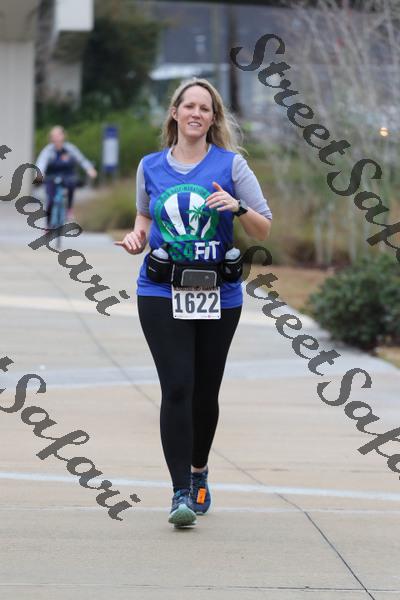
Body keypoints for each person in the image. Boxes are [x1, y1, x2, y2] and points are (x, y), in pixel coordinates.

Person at [115, 78, 272, 528]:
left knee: (205, 390)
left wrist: (236, 207)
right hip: (161, 289)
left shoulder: (231, 165)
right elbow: (144, 216)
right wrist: (136, 237)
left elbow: (263, 227)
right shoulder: (150, 166)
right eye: (189, 106)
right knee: (178, 386)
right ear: (175, 113)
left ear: (213, 118)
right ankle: (180, 491)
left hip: (218, 292)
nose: (196, 114)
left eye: (205, 108)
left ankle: (199, 469)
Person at [35, 125, 97, 224]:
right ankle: (48, 225)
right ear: (51, 138)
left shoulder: (70, 149)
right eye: (54, 136)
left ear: (63, 136)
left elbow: (81, 159)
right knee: (50, 200)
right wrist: (39, 174)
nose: (56, 138)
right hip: (51, 176)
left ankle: (69, 209)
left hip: (68, 175)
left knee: (72, 183)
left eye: (58, 135)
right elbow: (41, 162)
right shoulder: (48, 150)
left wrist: (89, 169)